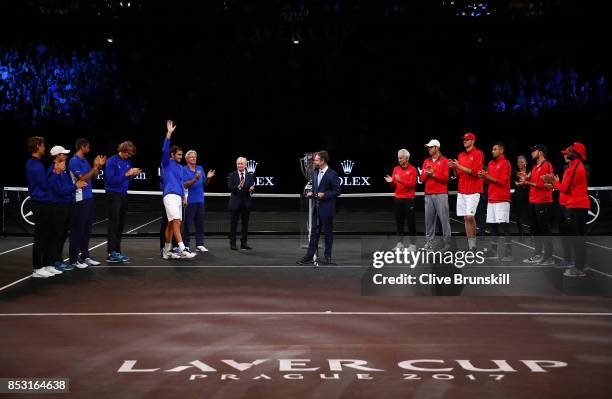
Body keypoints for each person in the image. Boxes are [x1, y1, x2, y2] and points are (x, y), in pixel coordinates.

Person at [542, 142, 589, 277]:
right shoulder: (571, 167)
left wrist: (552, 181)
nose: (566, 153)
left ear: (576, 153)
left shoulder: (576, 168)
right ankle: (580, 265)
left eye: (569, 151)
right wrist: (555, 182)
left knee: (577, 238)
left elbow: (565, 188)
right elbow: (565, 187)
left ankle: (579, 268)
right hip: (573, 205)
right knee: (576, 238)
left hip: (576, 206)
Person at [297, 150, 341, 265]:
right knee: (314, 233)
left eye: (316, 160)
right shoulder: (315, 172)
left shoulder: (332, 174)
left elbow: (337, 191)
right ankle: (309, 255)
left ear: (323, 161)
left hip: (327, 209)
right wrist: (312, 193)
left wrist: (325, 195)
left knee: (328, 233)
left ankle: (327, 256)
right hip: (316, 208)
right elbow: (315, 188)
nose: (314, 162)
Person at [48, 146, 88, 271]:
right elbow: (59, 190)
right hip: (58, 206)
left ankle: (58, 260)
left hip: (66, 205)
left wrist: (75, 185)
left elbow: (68, 186)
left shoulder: (63, 170)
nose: (65, 156)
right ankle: (54, 261)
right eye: (63, 154)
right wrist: (76, 186)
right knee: (58, 235)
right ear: (57, 156)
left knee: (62, 235)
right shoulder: (52, 170)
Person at [68, 138, 105, 268]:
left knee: (87, 230)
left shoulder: (84, 161)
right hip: (79, 199)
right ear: (82, 147)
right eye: (88, 147)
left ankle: (85, 256)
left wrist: (98, 166)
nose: (89, 149)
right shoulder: (73, 161)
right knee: (78, 230)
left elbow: (93, 177)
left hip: (88, 198)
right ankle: (73, 259)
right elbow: (82, 178)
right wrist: (94, 167)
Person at [160, 120, 195, 259]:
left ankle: (166, 251)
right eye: (179, 155)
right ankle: (183, 249)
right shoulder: (167, 163)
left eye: (182, 155)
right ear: (172, 155)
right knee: (176, 222)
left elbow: (181, 183)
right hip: (169, 196)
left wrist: (184, 196)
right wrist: (169, 133)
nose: (181, 157)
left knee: (171, 224)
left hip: (179, 197)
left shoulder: (180, 168)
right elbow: (164, 149)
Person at [26, 136, 57, 278]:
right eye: (43, 145)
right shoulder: (34, 164)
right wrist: (54, 172)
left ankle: (46, 264)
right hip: (40, 203)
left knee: (48, 235)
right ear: (37, 146)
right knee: (41, 236)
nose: (45, 147)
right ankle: (37, 268)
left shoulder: (37, 163)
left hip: (45, 202)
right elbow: (45, 185)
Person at [104, 140, 141, 263]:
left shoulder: (127, 161)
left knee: (120, 224)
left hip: (123, 195)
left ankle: (117, 251)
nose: (129, 156)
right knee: (114, 224)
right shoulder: (111, 161)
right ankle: (111, 253)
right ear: (123, 150)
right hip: (113, 194)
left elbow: (126, 179)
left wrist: (132, 175)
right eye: (128, 153)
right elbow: (110, 180)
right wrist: (126, 174)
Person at [518, 144, 554, 265]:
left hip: (543, 202)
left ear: (541, 152)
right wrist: (524, 180)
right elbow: (531, 181)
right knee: (537, 231)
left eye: (534, 151)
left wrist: (528, 182)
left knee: (545, 230)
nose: (532, 153)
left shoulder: (547, 165)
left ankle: (549, 257)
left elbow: (547, 186)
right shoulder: (534, 167)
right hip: (533, 202)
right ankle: (537, 254)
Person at [449, 132, 484, 251]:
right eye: (464, 139)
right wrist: (454, 168)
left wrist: (459, 166)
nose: (464, 141)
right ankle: (472, 246)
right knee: (465, 218)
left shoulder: (478, 153)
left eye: (467, 139)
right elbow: (458, 174)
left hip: (473, 190)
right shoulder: (461, 155)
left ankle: (473, 244)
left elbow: (476, 172)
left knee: (470, 217)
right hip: (462, 190)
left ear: (473, 141)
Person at [478, 142, 512, 261]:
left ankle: (508, 253)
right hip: (491, 199)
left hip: (502, 199)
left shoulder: (505, 162)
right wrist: (483, 177)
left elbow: (503, 182)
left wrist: (487, 177)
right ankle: (493, 252)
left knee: (504, 227)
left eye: (495, 149)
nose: (492, 151)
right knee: (493, 227)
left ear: (501, 151)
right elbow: (490, 181)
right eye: (492, 149)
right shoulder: (491, 163)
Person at [421, 139, 452, 251]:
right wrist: (427, 174)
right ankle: (429, 244)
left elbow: (446, 178)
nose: (429, 149)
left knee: (444, 220)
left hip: (441, 194)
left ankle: (447, 244)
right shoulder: (426, 161)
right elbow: (422, 179)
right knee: (428, 221)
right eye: (428, 147)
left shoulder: (444, 161)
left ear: (437, 148)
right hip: (428, 194)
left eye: (431, 147)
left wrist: (433, 174)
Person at [384, 148, 417, 251]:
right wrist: (391, 181)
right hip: (398, 199)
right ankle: (400, 243)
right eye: (398, 158)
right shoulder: (396, 169)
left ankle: (413, 245)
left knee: (411, 223)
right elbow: (394, 184)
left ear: (407, 158)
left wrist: (400, 180)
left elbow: (412, 185)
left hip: (409, 200)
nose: (399, 159)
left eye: (401, 158)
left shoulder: (413, 170)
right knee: (399, 222)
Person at [182, 150, 215, 252]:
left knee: (200, 223)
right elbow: (184, 185)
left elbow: (204, 184)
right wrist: (195, 179)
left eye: (195, 157)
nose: (194, 158)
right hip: (189, 201)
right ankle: (186, 244)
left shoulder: (200, 168)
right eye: (191, 157)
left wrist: (208, 178)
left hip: (200, 200)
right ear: (187, 159)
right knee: (187, 224)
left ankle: (199, 244)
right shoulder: (183, 170)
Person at [228, 157, 255, 250]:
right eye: (238, 163)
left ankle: (244, 243)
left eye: (241, 164)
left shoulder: (250, 176)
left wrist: (252, 190)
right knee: (233, 225)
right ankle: (233, 243)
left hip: (246, 204)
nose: (239, 165)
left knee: (245, 225)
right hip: (235, 204)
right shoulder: (232, 175)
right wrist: (239, 186)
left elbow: (251, 190)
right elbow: (230, 188)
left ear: (245, 165)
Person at [512, 155, 530, 237]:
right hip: (518, 195)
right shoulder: (515, 172)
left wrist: (524, 181)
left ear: (525, 163)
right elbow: (515, 183)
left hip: (528, 194)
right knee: (518, 214)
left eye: (522, 162)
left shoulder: (530, 171)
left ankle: (532, 232)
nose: (520, 163)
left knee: (530, 214)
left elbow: (530, 182)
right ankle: (521, 233)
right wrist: (523, 181)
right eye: (518, 162)